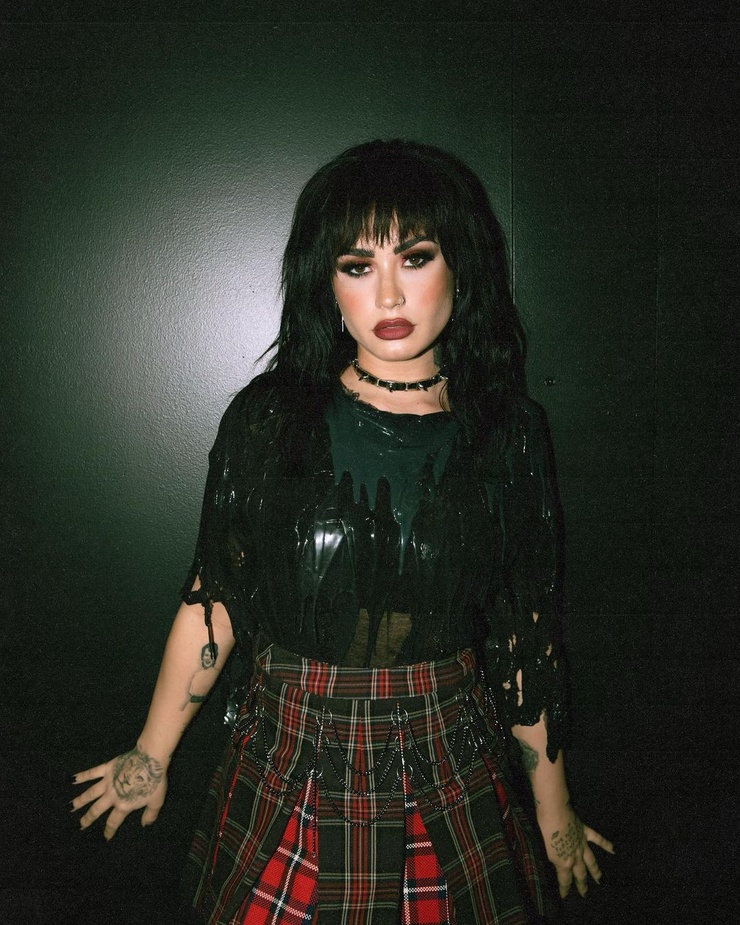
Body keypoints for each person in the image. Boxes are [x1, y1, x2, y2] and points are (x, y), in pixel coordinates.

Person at [72, 139, 613, 924]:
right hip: (288, 757)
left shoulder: (508, 434)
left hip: (450, 767)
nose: (388, 292)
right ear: (325, 283)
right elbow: (214, 598)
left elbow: (524, 639)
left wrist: (553, 810)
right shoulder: (270, 420)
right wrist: (151, 753)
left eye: (415, 257)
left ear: (461, 266)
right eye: (358, 265)